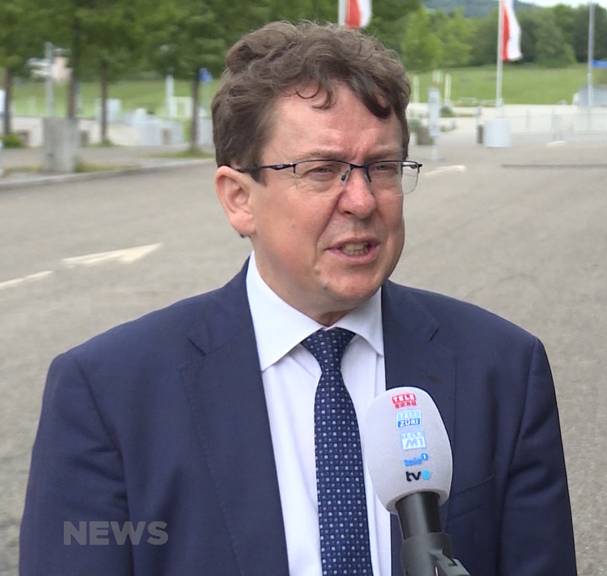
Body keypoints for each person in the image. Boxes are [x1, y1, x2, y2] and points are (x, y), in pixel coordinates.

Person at [20, 21, 576, 576]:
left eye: (382, 168)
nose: (362, 201)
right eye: (322, 170)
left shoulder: (501, 369)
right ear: (239, 199)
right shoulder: (109, 394)